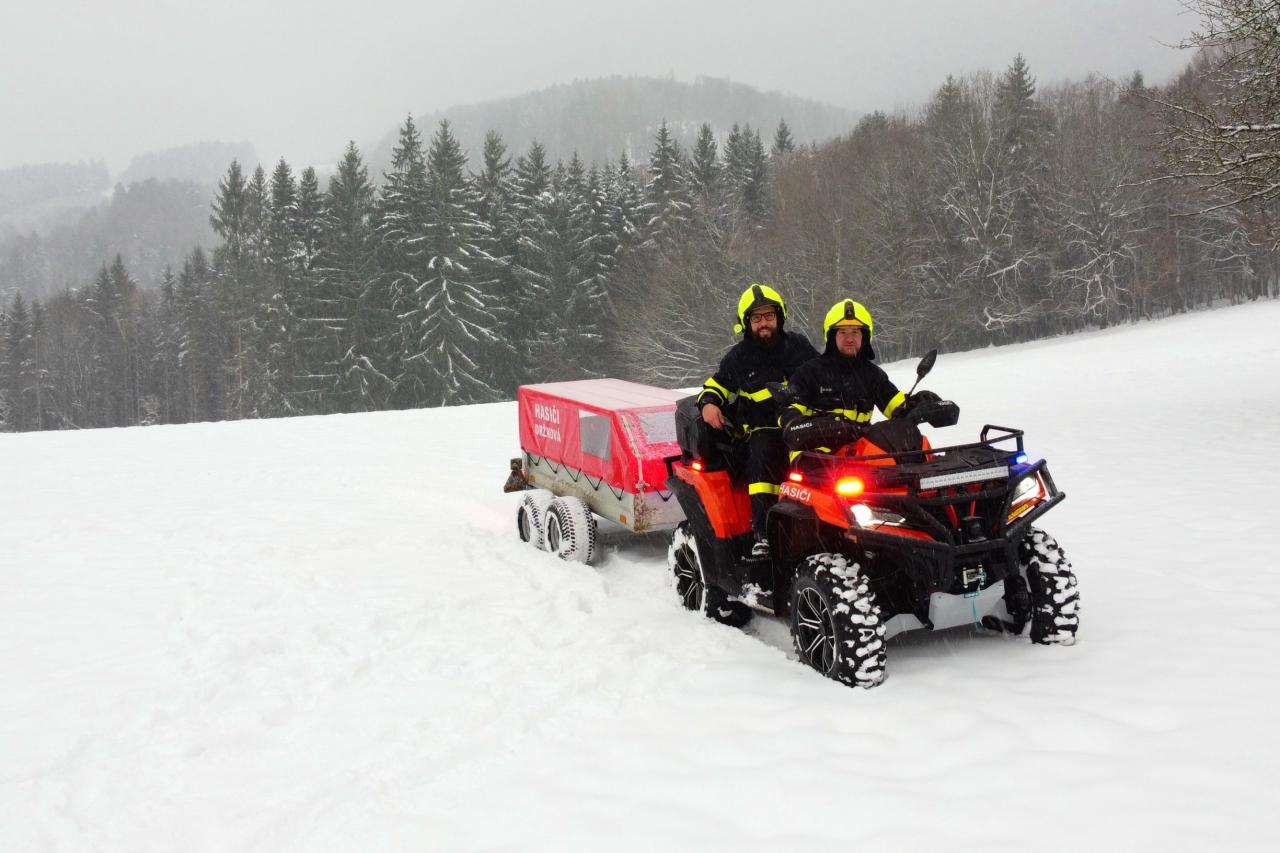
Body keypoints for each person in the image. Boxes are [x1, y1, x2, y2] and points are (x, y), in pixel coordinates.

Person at [697, 284, 818, 558]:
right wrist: (709, 404)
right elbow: (715, 387)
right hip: (763, 431)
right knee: (762, 458)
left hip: (803, 427)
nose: (764, 323)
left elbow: (822, 374)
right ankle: (763, 533)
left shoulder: (798, 346)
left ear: (779, 317)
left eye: (769, 316)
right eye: (757, 318)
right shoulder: (738, 358)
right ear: (746, 323)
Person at [779, 299, 920, 456]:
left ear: (864, 336)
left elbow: (895, 405)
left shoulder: (872, 374)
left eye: (855, 332)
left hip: (860, 453)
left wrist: (920, 405)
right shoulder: (810, 372)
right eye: (843, 332)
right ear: (831, 336)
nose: (850, 338)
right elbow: (788, 411)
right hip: (814, 455)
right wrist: (809, 426)